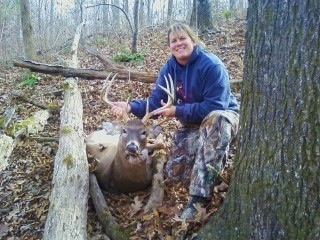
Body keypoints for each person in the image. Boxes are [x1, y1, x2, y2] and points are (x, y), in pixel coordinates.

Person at [109, 22, 240, 219]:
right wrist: (129, 107)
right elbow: (155, 102)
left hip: (223, 118)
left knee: (216, 121)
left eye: (182, 38)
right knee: (175, 174)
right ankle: (207, 157)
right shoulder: (169, 68)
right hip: (193, 123)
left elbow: (216, 106)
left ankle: (197, 199)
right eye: (173, 41)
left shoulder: (211, 66)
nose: (178, 44)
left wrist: (177, 110)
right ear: (169, 46)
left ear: (192, 39)